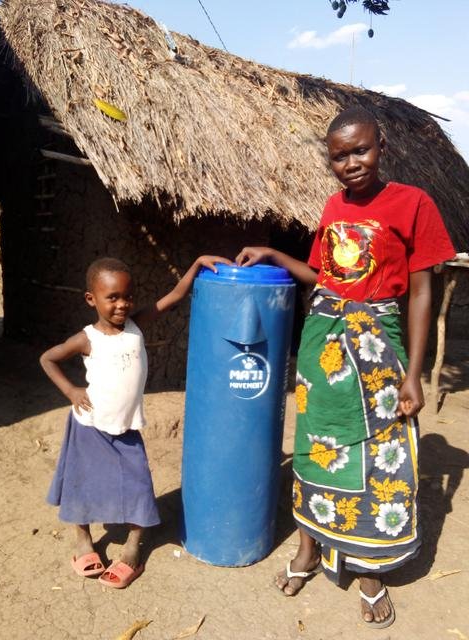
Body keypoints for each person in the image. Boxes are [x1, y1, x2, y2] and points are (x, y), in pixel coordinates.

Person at [236, 106, 455, 628]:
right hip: (323, 347)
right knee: (318, 449)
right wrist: (273, 253)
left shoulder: (414, 204)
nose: (352, 162)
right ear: (330, 160)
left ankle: (369, 569)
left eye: (361, 150)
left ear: (381, 147)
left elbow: (421, 293)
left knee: (378, 455)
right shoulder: (333, 206)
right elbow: (324, 277)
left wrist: (414, 373)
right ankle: (309, 548)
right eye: (340, 156)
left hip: (378, 349)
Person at [40, 254, 230, 588]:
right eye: (112, 297)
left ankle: (132, 546)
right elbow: (48, 359)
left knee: (138, 485)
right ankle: (83, 539)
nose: (122, 304)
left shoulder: (136, 325)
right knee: (82, 484)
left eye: (127, 296)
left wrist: (197, 262)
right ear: (91, 299)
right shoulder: (86, 339)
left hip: (125, 428)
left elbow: (174, 296)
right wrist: (71, 390)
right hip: (88, 426)